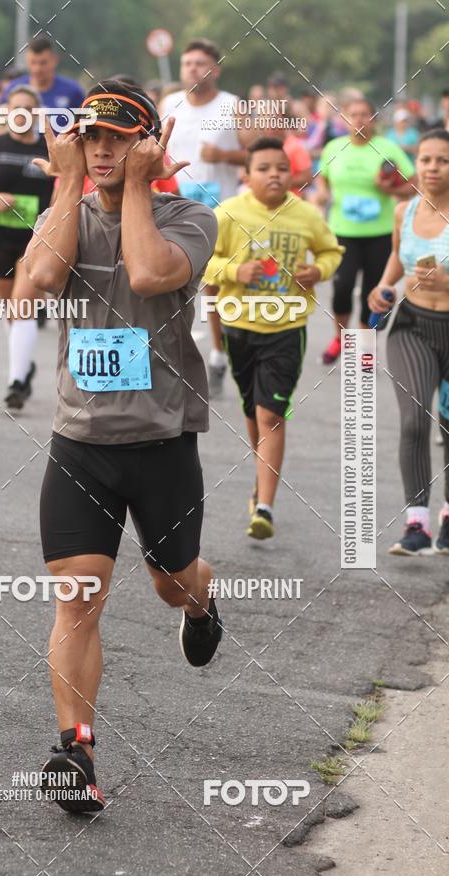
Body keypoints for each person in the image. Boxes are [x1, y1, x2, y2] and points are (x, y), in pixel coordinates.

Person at [25, 81, 221, 813]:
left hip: (162, 442)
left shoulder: (189, 216)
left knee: (170, 583)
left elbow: (148, 273)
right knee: (77, 596)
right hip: (81, 443)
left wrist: (140, 185)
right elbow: (39, 281)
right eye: (89, 137)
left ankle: (202, 602)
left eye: (118, 138)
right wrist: (67, 182)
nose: (102, 149)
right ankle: (75, 750)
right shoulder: (64, 211)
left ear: (149, 144)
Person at [204, 137, 343, 539]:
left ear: (291, 174)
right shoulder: (228, 213)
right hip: (240, 326)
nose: (274, 175)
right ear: (246, 175)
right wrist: (233, 271)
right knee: (253, 411)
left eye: (281, 168)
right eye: (263, 168)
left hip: (287, 327)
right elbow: (202, 262)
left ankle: (264, 507)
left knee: (271, 414)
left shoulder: (306, 214)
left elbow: (332, 251)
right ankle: (260, 478)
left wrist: (319, 272)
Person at [368, 129, 449, 555]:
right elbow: (397, 257)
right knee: (415, 419)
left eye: (443, 161)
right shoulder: (405, 209)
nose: (432, 167)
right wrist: (382, 288)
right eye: (426, 159)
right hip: (412, 326)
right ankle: (416, 524)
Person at [159, 38, 246, 397]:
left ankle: (218, 351)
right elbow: (156, 151)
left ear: (215, 69)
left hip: (221, 207)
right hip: (175, 205)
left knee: (214, 283)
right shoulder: (169, 103)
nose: (193, 69)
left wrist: (225, 156)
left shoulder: (232, 105)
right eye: (187, 63)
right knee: (171, 280)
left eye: (200, 63)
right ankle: (172, 354)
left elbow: (256, 156)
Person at [0, 85, 55, 410]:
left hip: (38, 240)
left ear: (37, 114)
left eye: (29, 109)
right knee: (10, 309)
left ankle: (16, 382)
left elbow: (66, 186)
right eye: (16, 108)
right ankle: (24, 364)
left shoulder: (50, 147)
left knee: (23, 306)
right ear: (6, 112)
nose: (22, 115)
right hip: (0, 238)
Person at [315, 97, 416, 365]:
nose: (359, 119)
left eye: (365, 114)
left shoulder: (388, 148)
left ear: (373, 119)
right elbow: (322, 177)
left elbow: (413, 184)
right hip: (343, 231)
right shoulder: (333, 148)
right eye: (353, 114)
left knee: (373, 291)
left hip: (380, 233)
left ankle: (364, 346)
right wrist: (323, 194)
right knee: (342, 287)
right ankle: (340, 338)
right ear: (344, 119)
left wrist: (391, 189)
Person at [0, 35, 84, 120]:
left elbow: (85, 125)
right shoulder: (13, 90)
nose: (37, 69)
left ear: (55, 60)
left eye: (43, 63)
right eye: (33, 62)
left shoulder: (73, 91)